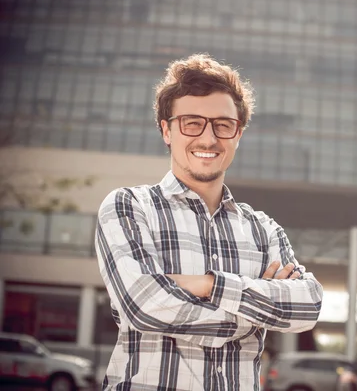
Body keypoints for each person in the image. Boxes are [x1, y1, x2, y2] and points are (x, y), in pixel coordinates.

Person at [95, 53, 323, 390]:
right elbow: (142, 305)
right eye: (191, 122)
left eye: (223, 124)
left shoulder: (264, 229)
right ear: (166, 130)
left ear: (238, 134)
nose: (208, 138)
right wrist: (255, 314)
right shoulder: (129, 206)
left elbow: (307, 306)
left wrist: (208, 285)